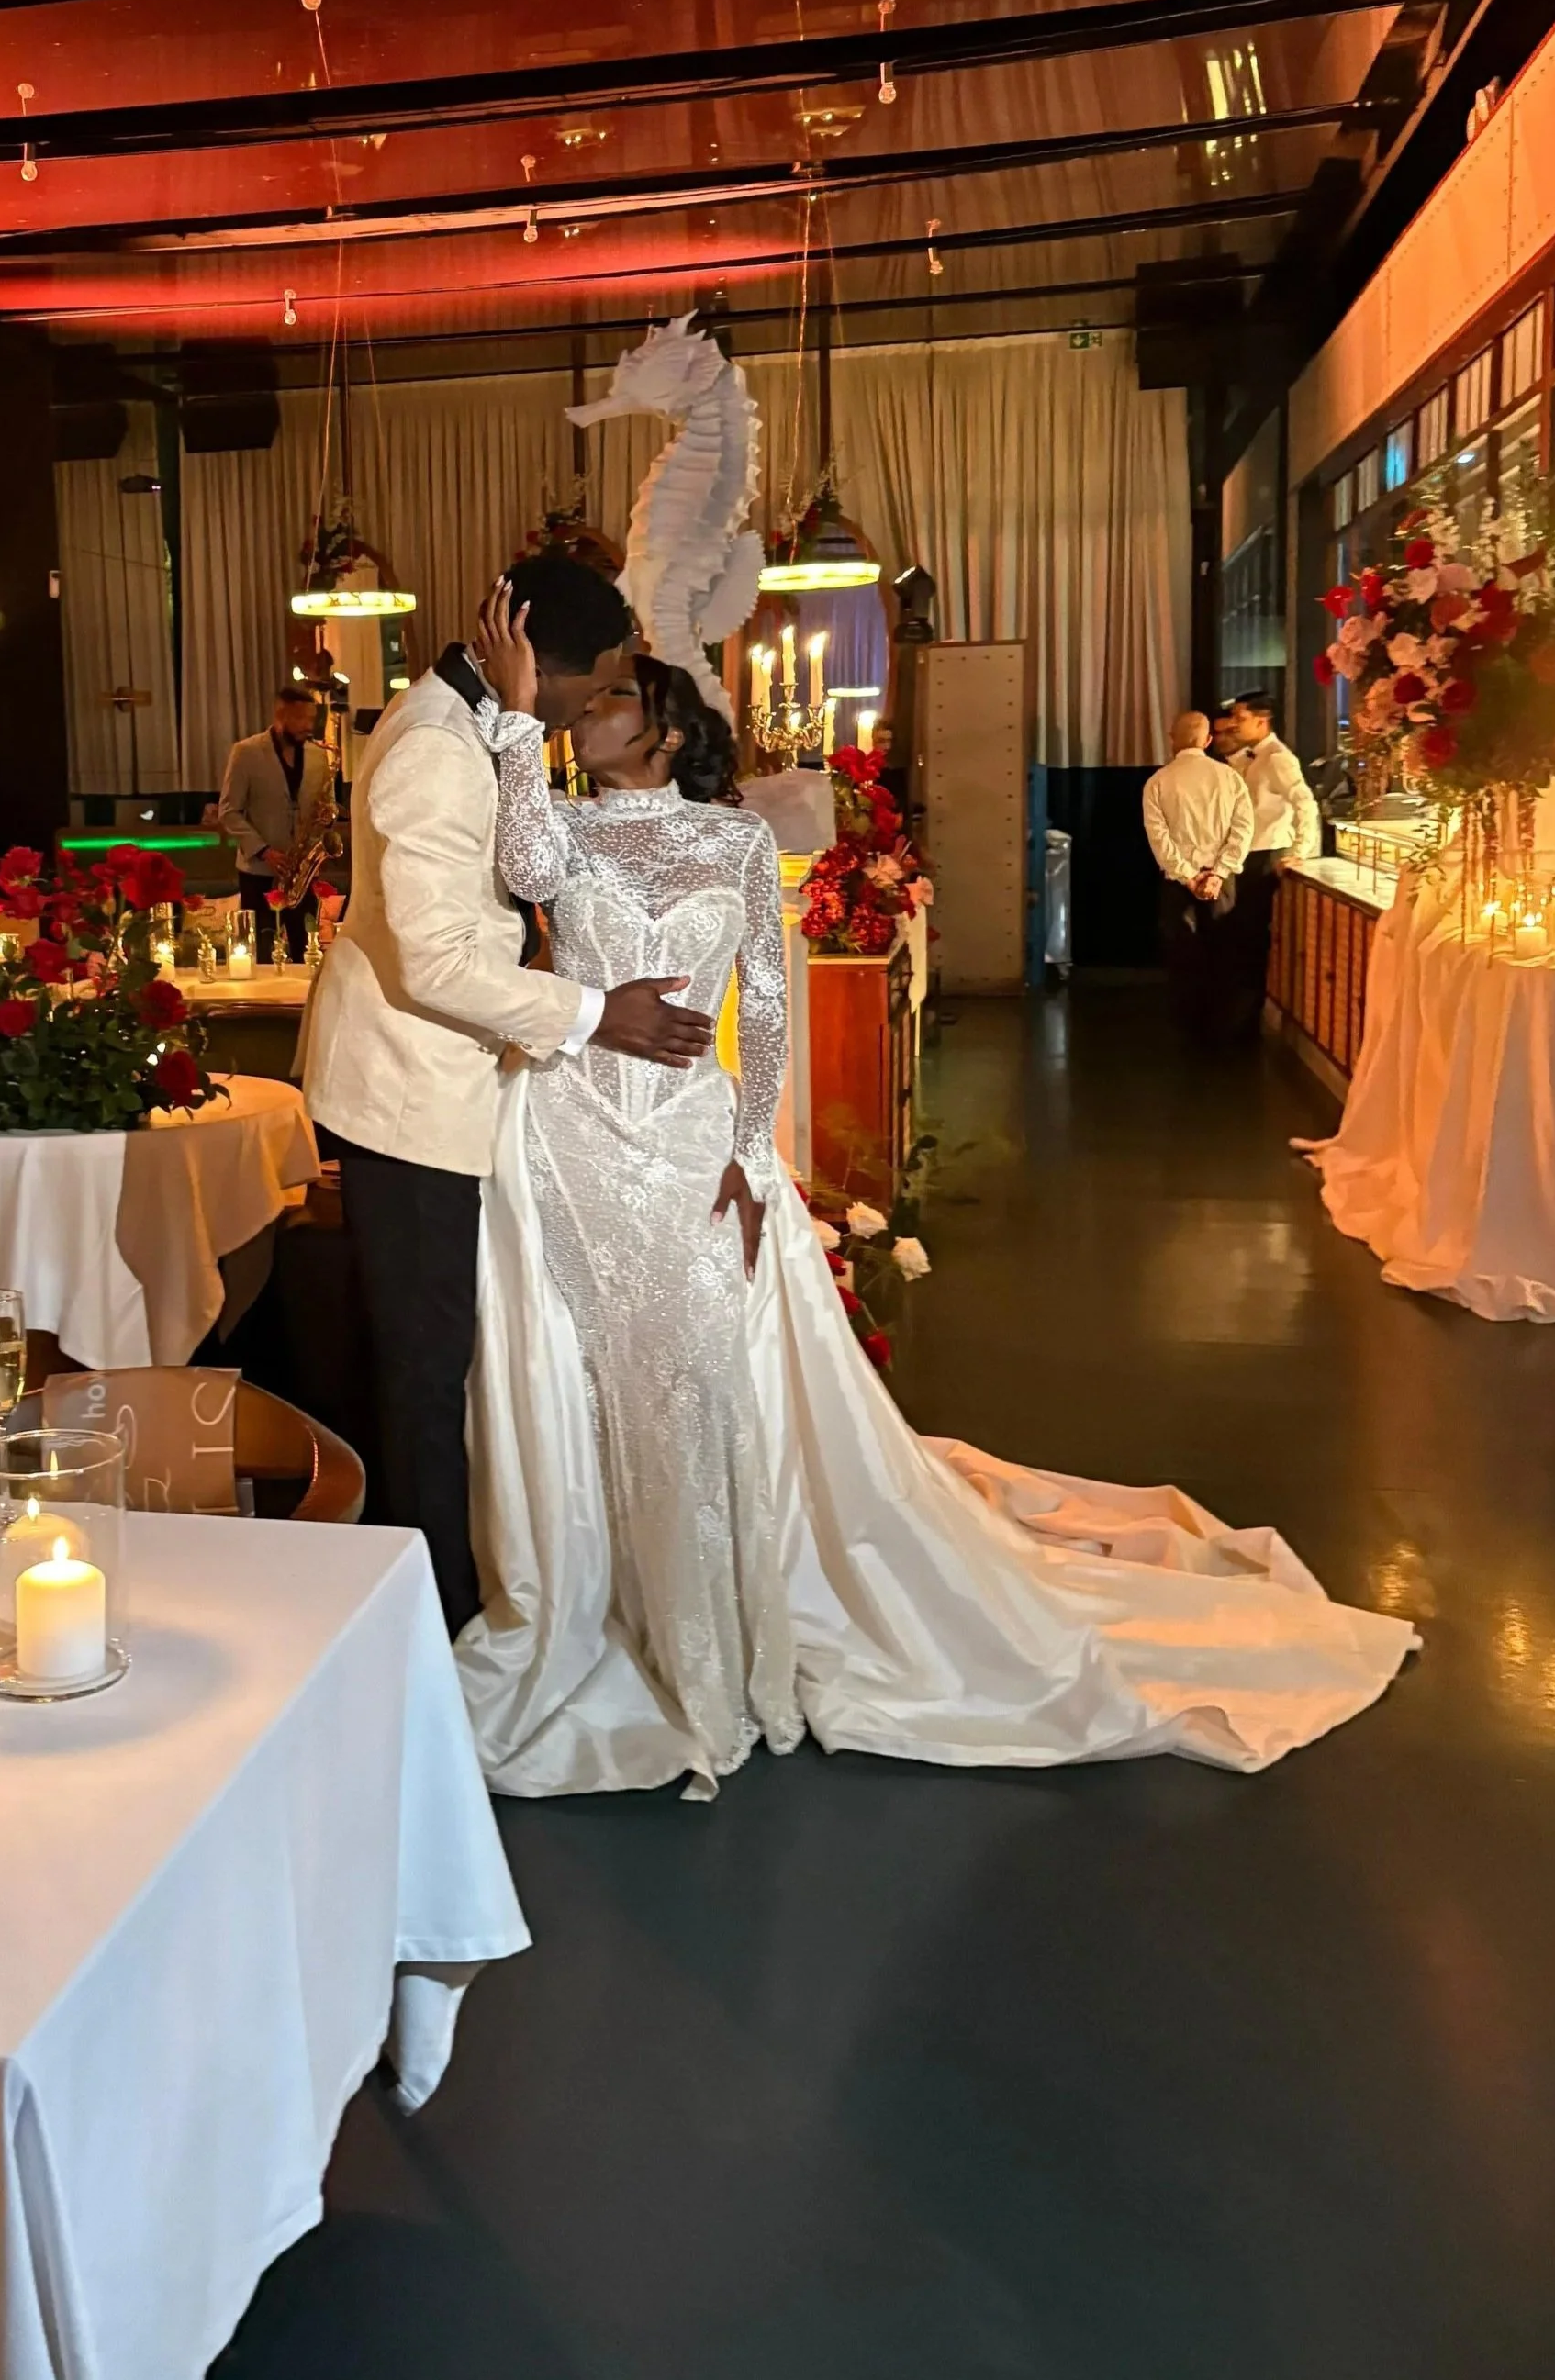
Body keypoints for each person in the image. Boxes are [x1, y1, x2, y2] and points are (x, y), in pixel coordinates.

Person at [454, 588, 1415, 1798]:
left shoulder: (740, 840)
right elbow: (522, 861)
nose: (580, 717)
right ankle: (606, 1614)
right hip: (568, 1135)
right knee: (583, 1378)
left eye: (604, 701)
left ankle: (712, 1661)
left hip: (692, 1140)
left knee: (695, 1389)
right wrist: (502, 717)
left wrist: (757, 1164)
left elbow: (766, 1005)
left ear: (661, 724)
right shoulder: (566, 828)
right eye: (578, 703)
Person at [300, 551, 717, 1633]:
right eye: (599, 680)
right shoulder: (437, 750)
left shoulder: (478, 718)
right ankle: (426, 1619)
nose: (589, 705)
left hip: (458, 1077)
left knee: (447, 1350)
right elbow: (436, 965)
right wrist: (593, 1013)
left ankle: (454, 1574)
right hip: (409, 1092)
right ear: (536, 659)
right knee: (426, 1363)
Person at [1142, 710, 1255, 1043]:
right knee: (1224, 951)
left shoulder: (1157, 783)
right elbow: (1243, 829)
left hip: (1178, 885)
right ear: (1207, 741)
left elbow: (1159, 838)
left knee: (1183, 955)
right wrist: (1218, 874)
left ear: (1172, 739)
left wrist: (1189, 877)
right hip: (1223, 882)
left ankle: (1187, 1027)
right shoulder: (1231, 778)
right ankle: (1223, 1027)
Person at [1223, 688, 1320, 1017]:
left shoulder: (1278, 757)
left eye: (1240, 718)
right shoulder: (1251, 757)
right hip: (1247, 853)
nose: (1234, 724)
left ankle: (1250, 1009)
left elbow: (1304, 802)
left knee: (1253, 932)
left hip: (1267, 853)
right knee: (1242, 932)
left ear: (1262, 721)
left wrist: (1301, 850)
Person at [219, 686, 332, 957]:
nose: (309, 726)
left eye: (312, 719)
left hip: (302, 872)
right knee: (259, 949)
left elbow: (326, 803)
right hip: (258, 871)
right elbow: (228, 811)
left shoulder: (318, 756)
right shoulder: (245, 752)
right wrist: (264, 851)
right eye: (301, 719)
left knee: (307, 950)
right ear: (281, 715)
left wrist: (327, 816)